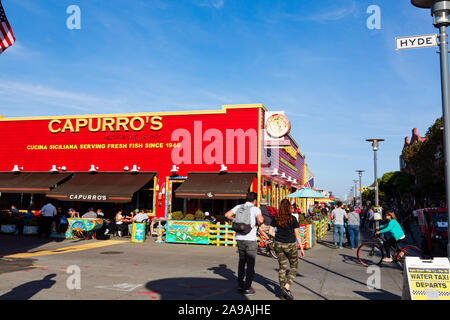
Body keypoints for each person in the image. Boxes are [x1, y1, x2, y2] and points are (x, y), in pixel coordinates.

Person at [225, 192, 264, 296]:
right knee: (250, 264)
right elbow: (260, 220)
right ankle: (247, 287)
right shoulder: (255, 209)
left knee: (242, 261)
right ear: (255, 200)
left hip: (239, 238)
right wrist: (258, 223)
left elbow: (227, 215)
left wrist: (236, 219)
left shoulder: (238, 206)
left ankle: (240, 285)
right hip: (250, 239)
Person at [269, 199, 305, 300]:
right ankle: (287, 287)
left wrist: (278, 235)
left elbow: (271, 231)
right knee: (294, 266)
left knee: (282, 267)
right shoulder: (292, 218)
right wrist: (301, 247)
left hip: (279, 245)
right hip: (291, 245)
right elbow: (297, 233)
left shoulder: (276, 218)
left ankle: (283, 291)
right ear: (289, 207)